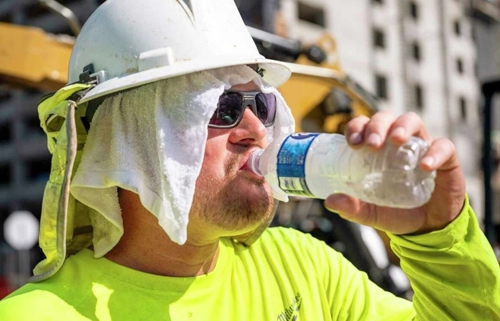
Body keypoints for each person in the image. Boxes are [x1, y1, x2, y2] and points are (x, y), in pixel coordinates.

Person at [1, 0, 499, 320]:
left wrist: (439, 239)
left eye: (261, 103)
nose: (258, 130)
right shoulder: (41, 315)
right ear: (126, 141)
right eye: (220, 108)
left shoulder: (305, 268)